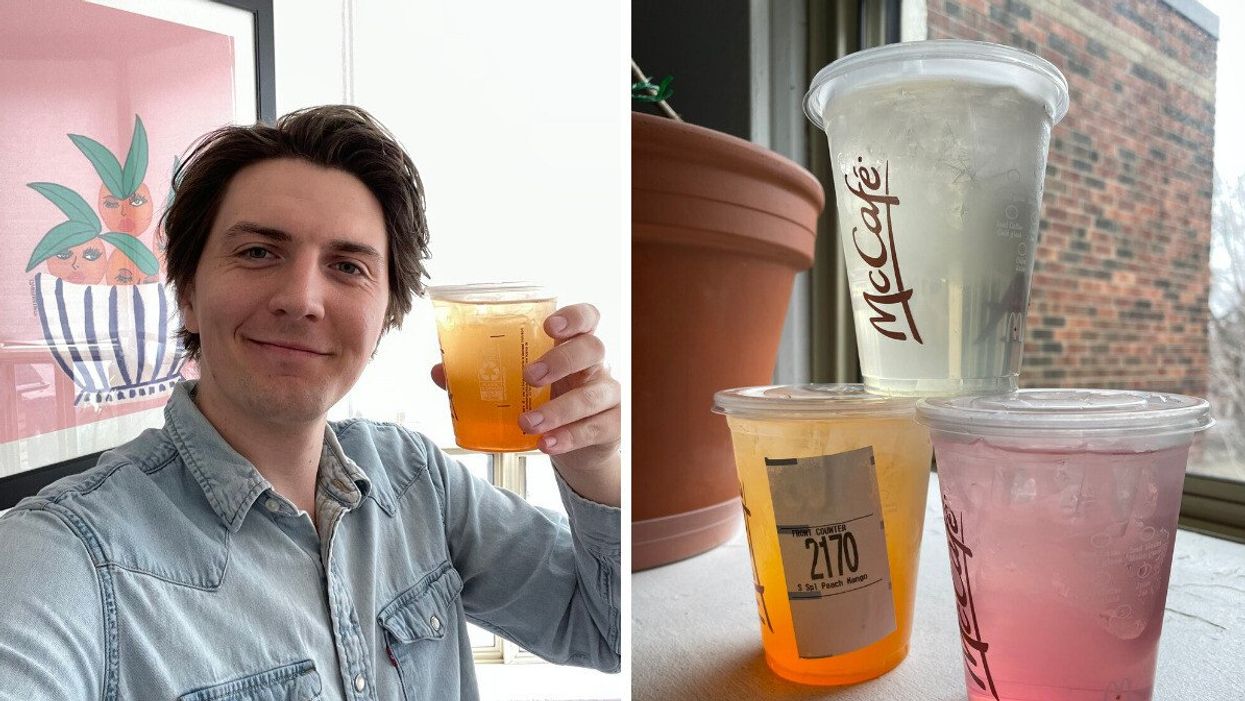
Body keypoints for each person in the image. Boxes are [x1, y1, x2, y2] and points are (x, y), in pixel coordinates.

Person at [0, 105, 621, 700]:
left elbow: (607, 629)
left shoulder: (412, 478)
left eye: (348, 266)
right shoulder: (70, 553)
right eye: (258, 252)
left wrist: (595, 465)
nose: (302, 299)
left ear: (386, 319)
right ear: (186, 292)